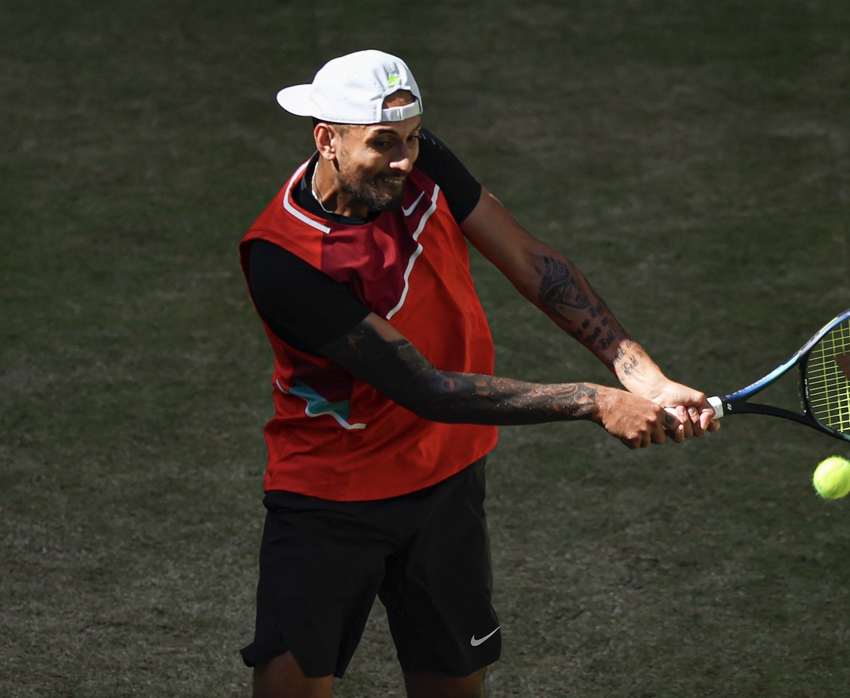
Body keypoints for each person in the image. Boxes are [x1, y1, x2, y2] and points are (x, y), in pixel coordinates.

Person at [237, 49, 719, 698]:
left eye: (412, 138)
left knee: (454, 685)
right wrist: (592, 401)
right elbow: (425, 387)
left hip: (446, 479)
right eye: (385, 144)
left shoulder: (421, 160)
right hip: (331, 496)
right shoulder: (284, 260)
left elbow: (528, 260)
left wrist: (643, 376)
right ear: (326, 138)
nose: (406, 159)